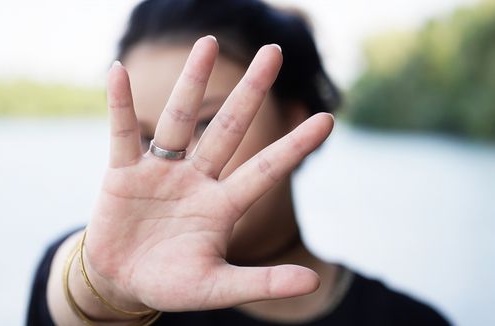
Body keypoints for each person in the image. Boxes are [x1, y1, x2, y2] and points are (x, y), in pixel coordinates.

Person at [27, 0, 450, 325]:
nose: (169, 162)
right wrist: (105, 286)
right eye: (146, 137)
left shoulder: (408, 320)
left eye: (205, 123)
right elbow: (73, 295)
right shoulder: (96, 274)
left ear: (293, 122)